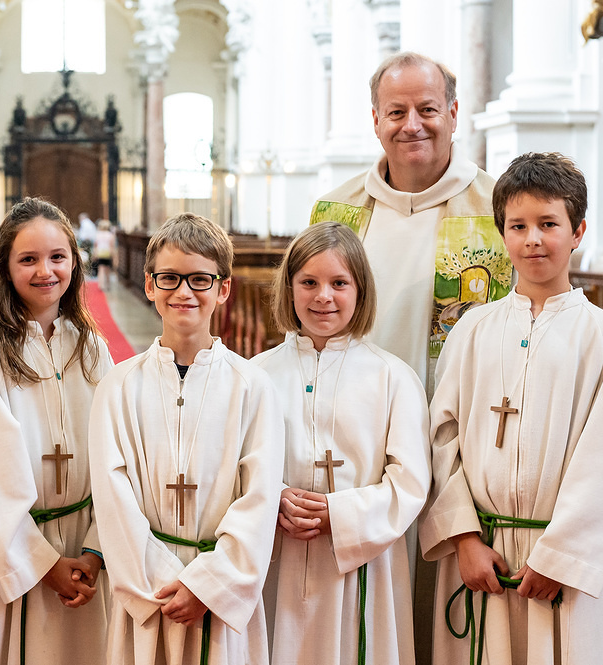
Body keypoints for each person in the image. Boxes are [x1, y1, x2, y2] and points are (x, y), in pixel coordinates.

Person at [419, 152, 603, 664]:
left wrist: (560, 555)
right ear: (503, 234)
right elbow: (443, 435)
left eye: (549, 224)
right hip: (482, 555)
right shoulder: (472, 330)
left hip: (563, 564)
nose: (533, 239)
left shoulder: (597, 336)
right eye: (518, 226)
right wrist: (462, 537)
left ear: (578, 230)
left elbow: (600, 463)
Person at [89, 213, 284, 664]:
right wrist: (159, 581)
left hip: (220, 597)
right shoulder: (118, 386)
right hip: (148, 594)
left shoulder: (252, 386)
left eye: (200, 279)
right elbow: (113, 498)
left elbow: (259, 498)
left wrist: (208, 586)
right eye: (170, 278)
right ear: (150, 285)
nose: (184, 292)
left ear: (223, 289)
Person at [252, 222, 431, 664]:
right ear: (288, 288)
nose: (323, 297)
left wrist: (340, 514)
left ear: (361, 290)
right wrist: (274, 498)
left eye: (339, 283)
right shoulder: (255, 374)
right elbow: (236, 466)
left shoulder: (392, 377)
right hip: (278, 553)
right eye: (308, 283)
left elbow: (409, 483)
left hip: (360, 564)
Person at [0, 197, 113, 665]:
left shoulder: (91, 347)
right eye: (28, 259)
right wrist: (43, 565)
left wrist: (96, 550)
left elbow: (115, 456)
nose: (45, 270)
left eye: (57, 257)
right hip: (19, 553)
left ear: (74, 262)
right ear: (4, 268)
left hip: (85, 548)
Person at [310, 51, 511, 389]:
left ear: (453, 114)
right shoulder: (335, 210)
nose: (412, 125)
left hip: (459, 416)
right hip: (351, 413)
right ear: (376, 121)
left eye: (428, 110)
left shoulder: (500, 209)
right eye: (396, 113)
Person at [94, 219, 117, 292]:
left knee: (101, 269)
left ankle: (101, 284)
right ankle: (108, 284)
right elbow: (112, 246)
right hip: (107, 253)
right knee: (107, 269)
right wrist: (114, 256)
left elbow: (95, 245)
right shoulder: (110, 235)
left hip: (100, 253)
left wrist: (95, 254)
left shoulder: (98, 234)